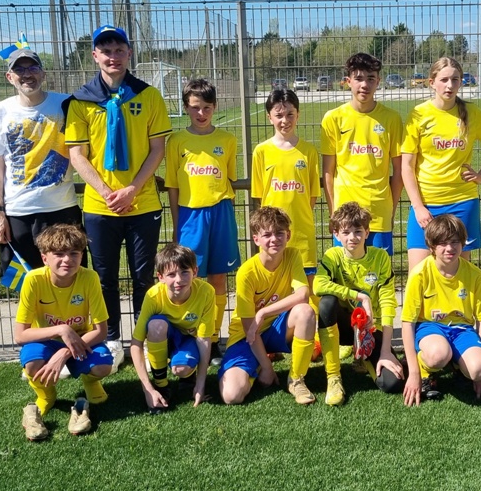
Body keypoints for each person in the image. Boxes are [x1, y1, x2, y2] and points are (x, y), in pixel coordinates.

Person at [64, 25, 172, 372]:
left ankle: (143, 337)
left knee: (143, 276)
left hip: (142, 203)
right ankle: (111, 338)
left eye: (119, 50)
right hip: (101, 206)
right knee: (104, 277)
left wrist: (132, 189)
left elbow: (158, 149)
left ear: (129, 53)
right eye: (106, 51)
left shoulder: (149, 95)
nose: (113, 57)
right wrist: (107, 192)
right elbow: (77, 154)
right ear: (95, 55)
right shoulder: (81, 100)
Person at [402, 57, 481, 271]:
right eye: (444, 80)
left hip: (462, 202)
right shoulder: (419, 114)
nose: (450, 85)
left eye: (455, 79)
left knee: (458, 274)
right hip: (427, 205)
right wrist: (418, 207)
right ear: (432, 82)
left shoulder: (472, 113)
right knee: (418, 274)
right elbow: (407, 166)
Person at [0, 48, 83, 274]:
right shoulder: (0, 111)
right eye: (19, 69)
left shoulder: (67, 104)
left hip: (61, 209)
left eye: (33, 68)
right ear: (9, 77)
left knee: (67, 279)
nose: (27, 74)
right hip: (18, 213)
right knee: (24, 282)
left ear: (43, 74)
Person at [165, 78, 239, 365]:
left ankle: (214, 338)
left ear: (215, 107)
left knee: (218, 278)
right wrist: (176, 223)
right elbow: (173, 186)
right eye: (195, 107)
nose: (201, 113)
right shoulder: (176, 142)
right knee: (189, 277)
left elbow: (229, 179)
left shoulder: (227, 140)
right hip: (190, 215)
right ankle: (190, 336)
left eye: (207, 107)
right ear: (186, 107)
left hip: (220, 212)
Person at [14, 224, 113, 440]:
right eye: (58, 254)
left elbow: (101, 331)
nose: (67, 259)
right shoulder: (33, 280)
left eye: (74, 253)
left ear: (81, 256)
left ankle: (91, 383)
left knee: (103, 366)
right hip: (46, 340)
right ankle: (46, 395)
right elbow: (21, 335)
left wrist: (65, 352)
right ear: (45, 258)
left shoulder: (90, 277)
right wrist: (61, 329)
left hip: (80, 340)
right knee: (32, 364)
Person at [217, 207, 317, 406]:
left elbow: (303, 295)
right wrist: (267, 368)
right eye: (267, 235)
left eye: (279, 233)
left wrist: (263, 311)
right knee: (232, 396)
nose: (274, 239)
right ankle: (258, 364)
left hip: (276, 329)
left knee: (305, 312)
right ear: (256, 239)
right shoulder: (246, 272)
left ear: (288, 235)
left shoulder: (293, 255)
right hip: (247, 337)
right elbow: (249, 329)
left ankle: (296, 379)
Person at [313, 202, 403, 405]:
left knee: (392, 383)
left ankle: (363, 356)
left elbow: (388, 302)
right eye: (346, 232)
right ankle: (333, 376)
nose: (352, 237)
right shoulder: (333, 256)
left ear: (367, 232)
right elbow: (318, 285)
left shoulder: (380, 257)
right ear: (336, 234)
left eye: (358, 231)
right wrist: (360, 296)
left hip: (370, 329)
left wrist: (386, 350)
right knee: (327, 303)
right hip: (343, 328)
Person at [401, 214, 481, 406]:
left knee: (479, 368)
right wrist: (414, 373)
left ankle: (458, 364)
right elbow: (407, 322)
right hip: (429, 327)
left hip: (462, 329)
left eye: (454, 242)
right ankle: (425, 369)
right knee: (438, 355)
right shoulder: (419, 274)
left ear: (463, 243)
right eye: (442, 243)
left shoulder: (474, 274)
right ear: (431, 246)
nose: (450, 248)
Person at [320, 53, 403, 256]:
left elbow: (399, 170)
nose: (364, 84)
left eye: (370, 78)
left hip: (379, 212)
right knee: (345, 272)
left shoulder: (391, 119)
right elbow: (328, 172)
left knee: (378, 272)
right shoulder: (333, 119)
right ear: (348, 81)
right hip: (345, 216)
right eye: (358, 78)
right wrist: (333, 213)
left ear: (378, 81)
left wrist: (390, 210)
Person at [129, 244, 215, 413]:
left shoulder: (206, 292)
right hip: (164, 338)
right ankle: (161, 385)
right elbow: (136, 343)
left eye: (185, 272)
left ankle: (188, 376)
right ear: (160, 277)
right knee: (156, 325)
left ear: (195, 271)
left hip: (188, 340)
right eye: (171, 274)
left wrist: (200, 384)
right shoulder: (153, 296)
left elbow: (204, 339)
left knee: (181, 369)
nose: (179, 280)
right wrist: (148, 389)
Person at [252, 89, 320, 286]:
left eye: (290, 114)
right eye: (279, 115)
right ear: (269, 117)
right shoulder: (261, 151)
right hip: (272, 235)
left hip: (301, 233)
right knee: (275, 287)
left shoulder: (308, 151)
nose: (285, 120)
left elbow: (312, 195)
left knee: (307, 287)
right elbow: (259, 196)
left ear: (298, 114)